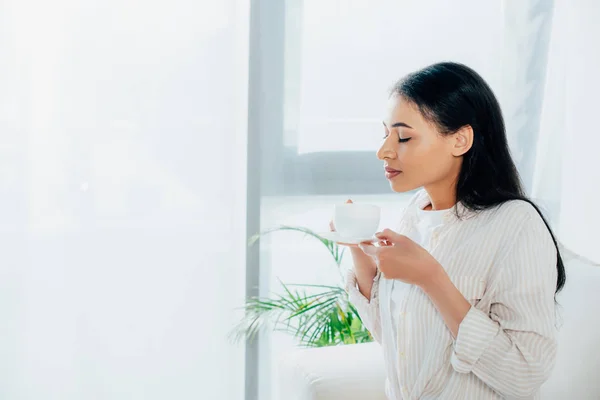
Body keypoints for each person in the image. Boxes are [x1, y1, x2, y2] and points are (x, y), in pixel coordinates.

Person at [334, 62, 565, 399]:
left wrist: (432, 278)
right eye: (385, 134)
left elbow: (524, 373)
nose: (383, 150)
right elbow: (397, 341)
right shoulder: (415, 213)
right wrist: (357, 246)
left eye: (404, 136)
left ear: (460, 140)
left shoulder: (516, 224)